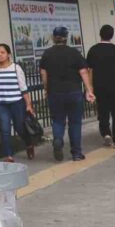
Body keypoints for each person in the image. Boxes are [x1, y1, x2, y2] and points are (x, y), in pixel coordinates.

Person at [39, 26, 95, 161]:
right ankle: (76, 153)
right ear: (66, 37)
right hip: (74, 92)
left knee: (58, 120)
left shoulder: (47, 54)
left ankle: (58, 139)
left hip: (55, 92)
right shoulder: (74, 53)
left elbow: (43, 73)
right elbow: (83, 72)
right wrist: (89, 90)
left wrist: (46, 89)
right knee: (75, 122)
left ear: (53, 38)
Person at [0, 43, 36, 162]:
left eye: (3, 52)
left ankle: (29, 144)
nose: (0, 55)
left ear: (8, 54)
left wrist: (28, 105)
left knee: (19, 127)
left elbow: (23, 88)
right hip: (2, 105)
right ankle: (9, 155)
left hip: (17, 103)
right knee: (4, 129)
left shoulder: (16, 68)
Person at [87, 24, 115, 148]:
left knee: (103, 111)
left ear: (100, 34)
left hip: (99, 86)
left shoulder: (93, 50)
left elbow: (90, 70)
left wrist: (90, 87)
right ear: (112, 35)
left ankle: (106, 133)